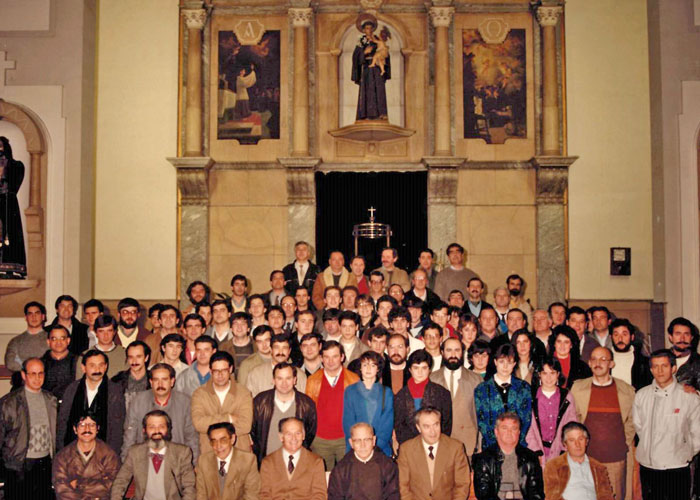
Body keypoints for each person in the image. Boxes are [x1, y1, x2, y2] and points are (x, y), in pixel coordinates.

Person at [633, 349, 700, 500]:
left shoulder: (688, 397)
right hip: (648, 467)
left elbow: (697, 432)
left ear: (673, 368)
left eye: (664, 366)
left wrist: (685, 453)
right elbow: (639, 427)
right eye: (655, 366)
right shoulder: (641, 395)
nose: (659, 371)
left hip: (676, 467)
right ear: (650, 369)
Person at [569, 345, 634, 500]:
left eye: (603, 359)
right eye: (594, 359)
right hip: (584, 459)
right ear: (590, 363)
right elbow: (572, 420)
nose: (598, 363)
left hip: (615, 460)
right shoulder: (577, 389)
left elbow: (632, 422)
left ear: (611, 364)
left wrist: (622, 443)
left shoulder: (626, 391)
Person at [0, 358, 57, 500]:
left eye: (41, 373)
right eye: (32, 374)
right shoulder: (9, 402)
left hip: (45, 464)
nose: (37, 378)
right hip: (19, 465)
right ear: (24, 375)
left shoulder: (51, 400)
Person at [110, 410, 196, 500]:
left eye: (161, 426)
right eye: (152, 427)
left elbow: (190, 487)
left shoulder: (182, 452)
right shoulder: (135, 452)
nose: (157, 431)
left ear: (168, 429)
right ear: (144, 430)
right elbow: (120, 482)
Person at [122, 363, 199, 462]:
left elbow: (192, 438)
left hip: (176, 461)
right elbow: (129, 436)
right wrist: (127, 464)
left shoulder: (185, 402)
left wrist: (193, 464)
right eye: (156, 380)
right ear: (151, 382)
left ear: (172, 381)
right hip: (145, 461)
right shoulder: (138, 401)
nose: (160, 384)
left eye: (164, 379)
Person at [58, 349, 125, 455]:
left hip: (103, 452)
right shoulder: (72, 389)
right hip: (73, 451)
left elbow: (117, 429)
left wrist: (112, 456)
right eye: (92, 365)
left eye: (101, 365)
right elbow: (63, 422)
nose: (97, 369)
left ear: (106, 366)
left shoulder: (114, 391)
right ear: (83, 368)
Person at [305, 340, 360, 470]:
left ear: (342, 357)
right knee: (323, 478)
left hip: (345, 439)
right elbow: (308, 412)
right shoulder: (312, 380)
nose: (330, 361)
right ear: (321, 358)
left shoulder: (354, 380)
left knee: (346, 477)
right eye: (326, 357)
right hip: (320, 440)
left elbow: (358, 411)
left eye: (335, 356)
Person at [251, 362, 317, 466]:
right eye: (280, 378)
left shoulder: (306, 404)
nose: (284, 383)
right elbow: (254, 432)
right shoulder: (260, 402)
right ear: (273, 380)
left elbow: (310, 433)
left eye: (288, 378)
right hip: (268, 462)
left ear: (295, 380)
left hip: (296, 462)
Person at [397, 407, 470, 499]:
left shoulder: (455, 448)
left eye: (436, 425)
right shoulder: (406, 450)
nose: (433, 431)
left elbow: (462, 485)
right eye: (426, 426)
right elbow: (402, 487)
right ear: (418, 428)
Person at [191, 351, 254, 456]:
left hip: (239, 451)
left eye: (224, 370)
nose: (220, 375)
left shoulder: (243, 392)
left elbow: (246, 425)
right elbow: (198, 423)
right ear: (210, 371)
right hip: (210, 452)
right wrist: (229, 418)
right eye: (216, 371)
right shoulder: (199, 394)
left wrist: (212, 426)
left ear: (230, 369)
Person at [430, 336, 482, 458]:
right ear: (442, 352)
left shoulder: (476, 380)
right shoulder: (432, 379)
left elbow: (481, 416)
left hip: (467, 444)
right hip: (438, 442)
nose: (453, 354)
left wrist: (479, 444)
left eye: (457, 350)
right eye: (449, 350)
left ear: (462, 353)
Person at [473, 412, 544, 500]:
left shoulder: (531, 458)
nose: (509, 433)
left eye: (514, 428)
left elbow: (537, 494)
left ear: (519, 432)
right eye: (504, 428)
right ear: (496, 432)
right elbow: (484, 495)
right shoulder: (484, 459)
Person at [474, 344, 532, 449]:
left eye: (509, 362)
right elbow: (482, 422)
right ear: (495, 362)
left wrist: (514, 443)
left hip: (518, 446)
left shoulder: (524, 388)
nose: (505, 366)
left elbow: (526, 420)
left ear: (514, 364)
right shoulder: (482, 389)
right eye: (501, 362)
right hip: (491, 448)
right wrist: (497, 445)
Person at [52, 412, 120, 500]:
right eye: (82, 425)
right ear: (75, 429)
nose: (87, 429)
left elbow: (113, 484)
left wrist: (79, 484)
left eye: (92, 425)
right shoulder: (62, 456)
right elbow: (61, 488)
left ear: (97, 428)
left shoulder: (109, 454)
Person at [525, 356, 578, 466]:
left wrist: (564, 449)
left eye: (552, 373)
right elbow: (528, 426)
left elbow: (571, 425)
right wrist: (535, 451)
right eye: (545, 373)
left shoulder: (567, 397)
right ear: (539, 374)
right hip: (536, 453)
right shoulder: (530, 396)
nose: (548, 378)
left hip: (561, 452)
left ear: (558, 374)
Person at [543, 421, 615, 500]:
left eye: (581, 439)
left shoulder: (598, 468)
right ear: (565, 445)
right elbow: (552, 497)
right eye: (572, 440)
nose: (577, 444)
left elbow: (606, 496)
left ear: (586, 442)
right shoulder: (553, 466)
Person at [259, 417, 327, 500]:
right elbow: (264, 494)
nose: (294, 438)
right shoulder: (268, 462)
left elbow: (320, 495)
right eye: (289, 434)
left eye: (298, 433)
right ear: (281, 437)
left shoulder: (316, 462)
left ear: (303, 435)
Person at [328, 422, 399, 500]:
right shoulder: (340, 470)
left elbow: (393, 496)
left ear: (374, 440)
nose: (363, 445)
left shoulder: (388, 466)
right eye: (358, 441)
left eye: (367, 440)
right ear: (351, 443)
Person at [393, 349, 452, 444]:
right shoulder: (400, 396)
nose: (420, 372)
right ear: (410, 370)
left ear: (429, 370)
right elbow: (399, 427)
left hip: (437, 445)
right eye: (416, 368)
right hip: (409, 448)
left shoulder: (442, 393)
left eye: (424, 368)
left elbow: (446, 426)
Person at [342, 351, 394, 457]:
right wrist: (359, 445)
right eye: (365, 365)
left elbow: (387, 424)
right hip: (356, 448)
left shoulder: (386, 392)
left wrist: (375, 446)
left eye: (373, 365)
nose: (368, 369)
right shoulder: (350, 391)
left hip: (380, 449)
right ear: (360, 368)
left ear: (378, 369)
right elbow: (348, 422)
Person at [196, 422, 260, 500]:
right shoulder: (203, 461)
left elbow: (251, 496)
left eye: (223, 440)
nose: (218, 446)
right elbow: (201, 495)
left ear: (232, 439)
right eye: (214, 441)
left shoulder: (248, 460)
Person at [351, 16, 390, 121]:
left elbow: (385, 51)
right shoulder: (361, 41)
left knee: (379, 89)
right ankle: (365, 114)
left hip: (377, 67)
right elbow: (355, 57)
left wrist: (381, 55)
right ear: (363, 30)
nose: (369, 30)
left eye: (370, 28)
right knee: (367, 89)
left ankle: (381, 113)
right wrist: (364, 53)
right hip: (367, 68)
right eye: (367, 28)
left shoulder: (377, 39)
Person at [0, 136, 27, 278]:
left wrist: (4, 168)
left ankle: (10, 267)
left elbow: (14, 185)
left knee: (9, 232)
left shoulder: (15, 165)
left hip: (7, 204)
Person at [5, 302, 48, 380]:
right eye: (30, 314)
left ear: (43, 317)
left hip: (46, 382)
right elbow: (10, 364)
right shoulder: (15, 341)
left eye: (37, 313)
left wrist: (23, 364)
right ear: (26, 317)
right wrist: (31, 371)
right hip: (22, 382)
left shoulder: (51, 339)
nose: (33, 317)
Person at [609, 317, 652, 390]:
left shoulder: (643, 362)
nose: (620, 339)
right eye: (616, 335)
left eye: (624, 334)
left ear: (632, 337)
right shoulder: (605, 359)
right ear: (611, 337)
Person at [111, 339, 151, 411]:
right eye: (131, 357)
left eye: (138, 356)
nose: (134, 361)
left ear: (146, 358)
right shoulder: (117, 381)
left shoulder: (155, 380)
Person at [548, 324, 592, 389]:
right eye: (559, 341)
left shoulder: (582, 367)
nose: (562, 345)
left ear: (571, 345)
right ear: (554, 343)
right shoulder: (545, 363)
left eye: (566, 342)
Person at [41, 324, 78, 401]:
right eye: (54, 339)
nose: (58, 342)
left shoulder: (78, 361)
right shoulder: (41, 363)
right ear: (48, 342)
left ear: (68, 341)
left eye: (62, 338)